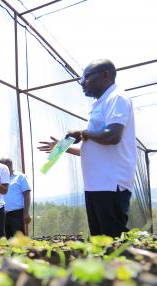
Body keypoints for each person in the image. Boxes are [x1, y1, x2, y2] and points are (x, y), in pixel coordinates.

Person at [39, 59, 137, 238]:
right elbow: (92, 148)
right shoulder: (100, 104)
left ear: (105, 75)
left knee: (112, 239)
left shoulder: (117, 98)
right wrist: (62, 148)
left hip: (110, 183)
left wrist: (82, 133)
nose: (82, 82)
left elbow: (113, 136)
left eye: (86, 77)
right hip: (96, 184)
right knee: (100, 240)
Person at [0, 158, 31, 238]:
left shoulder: (20, 177)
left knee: (19, 240)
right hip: (2, 214)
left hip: (17, 214)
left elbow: (26, 194)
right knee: (4, 239)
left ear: (8, 166)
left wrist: (26, 212)